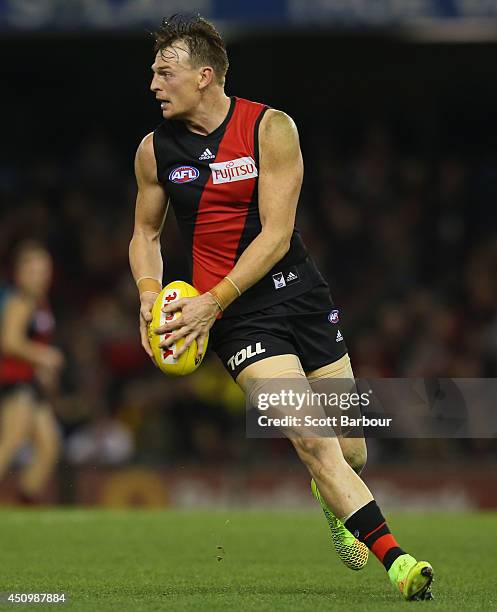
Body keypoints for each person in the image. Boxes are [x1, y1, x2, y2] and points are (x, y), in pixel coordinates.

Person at [129, 15, 434, 601]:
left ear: (205, 75)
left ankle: (331, 496)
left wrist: (209, 299)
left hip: (297, 294)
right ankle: (400, 563)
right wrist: (149, 293)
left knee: (350, 449)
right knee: (313, 441)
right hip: (235, 319)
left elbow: (275, 236)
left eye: (164, 73)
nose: (153, 85)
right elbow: (144, 235)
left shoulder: (270, 128)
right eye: (153, 74)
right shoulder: (153, 151)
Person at [0, 240, 63, 503]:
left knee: (49, 446)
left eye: (44, 272)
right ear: (20, 272)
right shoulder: (20, 301)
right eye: (35, 272)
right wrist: (43, 357)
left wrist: (41, 368)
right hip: (14, 381)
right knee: (11, 441)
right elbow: (9, 341)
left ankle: (24, 504)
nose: (41, 278)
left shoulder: (40, 302)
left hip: (30, 382)